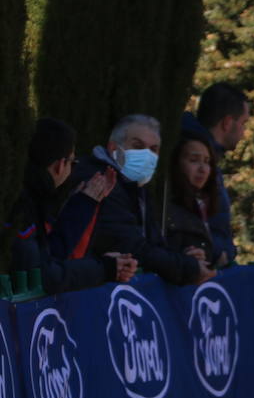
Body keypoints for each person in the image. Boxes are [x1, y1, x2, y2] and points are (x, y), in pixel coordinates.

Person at [73, 114, 213, 286]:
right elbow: (131, 247)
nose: (146, 155)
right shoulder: (101, 181)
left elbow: (151, 244)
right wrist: (187, 267)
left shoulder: (136, 187)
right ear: (113, 148)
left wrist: (183, 256)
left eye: (153, 149)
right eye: (138, 146)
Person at [9, 118, 136, 293]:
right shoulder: (22, 203)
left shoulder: (36, 196)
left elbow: (50, 254)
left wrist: (84, 203)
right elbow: (42, 275)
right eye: (72, 162)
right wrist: (105, 268)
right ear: (60, 165)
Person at [181, 82, 251, 264]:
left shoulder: (213, 157)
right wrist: (217, 253)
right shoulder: (187, 155)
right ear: (228, 122)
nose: (244, 133)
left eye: (205, 162)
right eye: (243, 123)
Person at [161, 134, 223, 265]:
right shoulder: (165, 206)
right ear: (177, 163)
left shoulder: (208, 204)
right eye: (194, 160)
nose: (203, 169)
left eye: (207, 161)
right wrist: (185, 260)